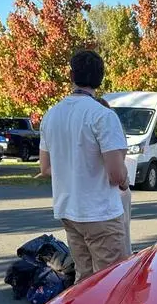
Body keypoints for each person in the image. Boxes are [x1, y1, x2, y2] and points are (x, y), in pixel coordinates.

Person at [39, 49, 129, 281]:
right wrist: (125, 179)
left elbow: (45, 168)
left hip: (69, 210)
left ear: (72, 75)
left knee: (84, 279)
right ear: (100, 78)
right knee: (111, 281)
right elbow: (115, 174)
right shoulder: (103, 116)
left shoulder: (51, 115)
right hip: (100, 213)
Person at [95, 94, 133, 257]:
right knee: (121, 235)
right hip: (118, 189)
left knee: (116, 240)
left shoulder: (103, 129)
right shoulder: (112, 130)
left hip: (112, 191)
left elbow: (116, 174)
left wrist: (123, 181)